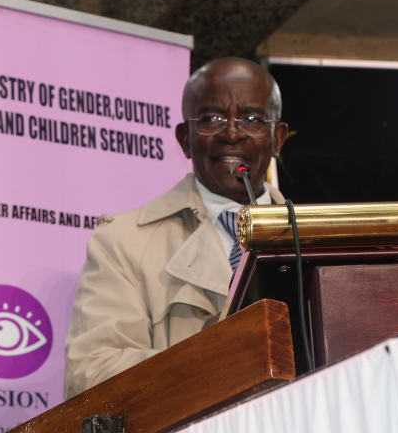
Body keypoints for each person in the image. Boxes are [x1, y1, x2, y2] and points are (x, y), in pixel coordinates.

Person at [63, 57, 289, 399]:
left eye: (252, 119)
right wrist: (207, 357)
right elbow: (90, 373)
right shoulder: (123, 241)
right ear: (185, 138)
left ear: (277, 139)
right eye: (212, 118)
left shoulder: (320, 240)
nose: (232, 133)